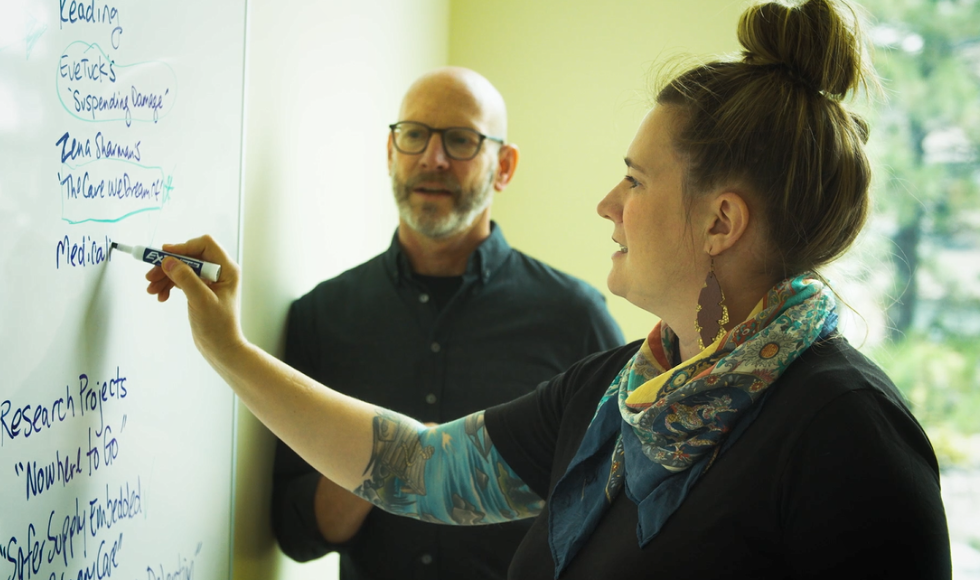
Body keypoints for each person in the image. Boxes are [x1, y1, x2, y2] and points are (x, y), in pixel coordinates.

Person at [145, 0, 952, 577]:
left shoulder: (848, 434)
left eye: (635, 180)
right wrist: (226, 347)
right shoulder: (618, 392)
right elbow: (422, 469)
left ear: (721, 223)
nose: (608, 204)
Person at [272, 67, 624, 579]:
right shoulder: (320, 317)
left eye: (460, 140)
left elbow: (615, 506)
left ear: (504, 166)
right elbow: (294, 531)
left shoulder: (576, 318)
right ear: (390, 151)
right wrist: (393, 458)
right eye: (414, 135)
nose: (432, 159)